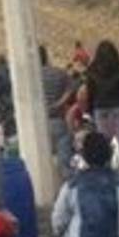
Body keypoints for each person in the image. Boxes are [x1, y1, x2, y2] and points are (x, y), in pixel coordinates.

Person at [87, 39, 119, 168]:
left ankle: (105, 163)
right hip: (117, 105)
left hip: (99, 106)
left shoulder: (92, 69)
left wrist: (90, 107)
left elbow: (90, 90)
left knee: (103, 138)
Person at [41, 45, 77, 177]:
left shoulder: (30, 77)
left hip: (37, 126)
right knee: (64, 164)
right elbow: (72, 88)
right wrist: (60, 102)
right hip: (58, 120)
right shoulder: (59, 73)